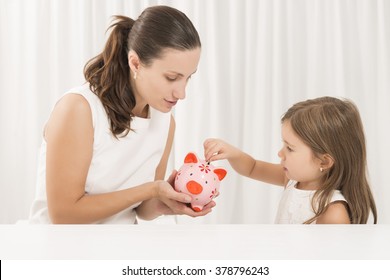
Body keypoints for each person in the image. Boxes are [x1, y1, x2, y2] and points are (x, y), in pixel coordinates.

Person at [29, 5, 213, 224]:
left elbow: (141, 211)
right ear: (135, 63)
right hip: (61, 251)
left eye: (188, 78)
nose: (181, 93)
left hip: (120, 248)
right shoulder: (79, 109)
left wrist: (165, 200)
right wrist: (149, 190)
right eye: (172, 78)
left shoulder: (164, 121)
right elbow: (64, 215)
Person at [204, 97, 377, 224]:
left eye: (290, 148)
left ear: (324, 162)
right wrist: (231, 152)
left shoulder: (332, 211)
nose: (281, 153)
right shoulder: (293, 180)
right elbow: (252, 168)